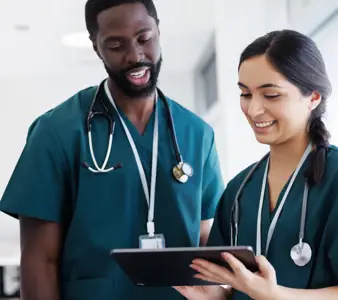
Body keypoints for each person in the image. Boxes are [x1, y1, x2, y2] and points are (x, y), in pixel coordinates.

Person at [0, 0, 224, 299]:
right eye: (116, 45)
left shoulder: (197, 134)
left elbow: (206, 237)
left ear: (158, 31)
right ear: (96, 46)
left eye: (144, 38)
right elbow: (39, 260)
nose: (135, 55)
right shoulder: (58, 131)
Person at [174, 29, 338, 300]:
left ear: (313, 97)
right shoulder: (239, 191)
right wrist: (213, 298)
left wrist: (275, 295)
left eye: (271, 95)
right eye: (245, 94)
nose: (254, 110)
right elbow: (235, 290)